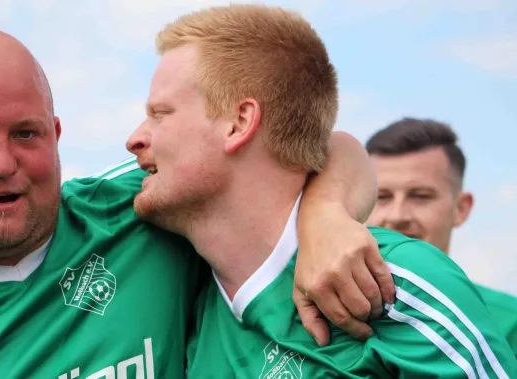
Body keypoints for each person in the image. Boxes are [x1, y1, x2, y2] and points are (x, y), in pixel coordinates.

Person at [0, 26, 384, 378]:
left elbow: (327, 147)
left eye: (25, 133)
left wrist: (326, 215)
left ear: (56, 137)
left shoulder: (135, 207)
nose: (1, 162)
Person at [125, 4, 517, 377]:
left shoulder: (394, 283)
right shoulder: (183, 294)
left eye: (160, 115)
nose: (134, 139)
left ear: (238, 123)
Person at [365, 117, 517, 357]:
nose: (397, 216)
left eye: (421, 196)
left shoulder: (510, 325)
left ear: (461, 208)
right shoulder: (318, 314)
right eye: (382, 197)